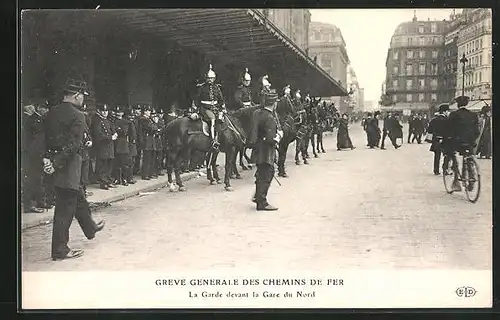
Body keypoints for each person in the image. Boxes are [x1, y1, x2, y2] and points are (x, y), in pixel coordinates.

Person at [42, 79, 104, 261]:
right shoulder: (78, 115)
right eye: (83, 95)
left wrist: (47, 159)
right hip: (67, 167)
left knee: (77, 198)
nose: (83, 98)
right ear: (76, 95)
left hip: (53, 163)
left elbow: (44, 139)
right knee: (64, 209)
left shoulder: (51, 112)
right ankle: (60, 251)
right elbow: (73, 145)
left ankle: (90, 228)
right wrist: (56, 164)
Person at [248, 88, 282, 211]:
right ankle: (262, 202)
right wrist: (279, 136)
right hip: (266, 151)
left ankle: (258, 196)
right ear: (274, 104)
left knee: (260, 174)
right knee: (268, 174)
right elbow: (270, 139)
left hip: (257, 148)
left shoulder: (257, 113)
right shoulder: (270, 118)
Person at [443, 96, 481, 192]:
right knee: (468, 156)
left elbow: (448, 129)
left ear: (458, 104)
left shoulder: (453, 115)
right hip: (470, 142)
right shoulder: (473, 115)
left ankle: (456, 180)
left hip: (457, 142)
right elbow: (477, 131)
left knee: (453, 156)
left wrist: (447, 138)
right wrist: (472, 139)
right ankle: (471, 175)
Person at [195, 63, 226, 149]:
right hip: (205, 108)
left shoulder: (217, 87)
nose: (210, 80)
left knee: (222, 119)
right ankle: (213, 141)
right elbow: (197, 100)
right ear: (206, 78)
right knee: (212, 119)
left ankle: (220, 138)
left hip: (215, 108)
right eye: (209, 78)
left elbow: (221, 99)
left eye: (212, 78)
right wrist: (198, 109)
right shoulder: (201, 87)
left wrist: (222, 108)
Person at [91, 103, 117, 190]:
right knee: (103, 165)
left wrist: (115, 133)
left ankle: (108, 181)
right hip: (103, 145)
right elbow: (98, 135)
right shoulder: (97, 121)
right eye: (103, 111)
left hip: (109, 145)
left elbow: (111, 129)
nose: (105, 113)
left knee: (109, 164)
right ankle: (103, 182)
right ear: (99, 111)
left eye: (106, 111)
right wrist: (110, 137)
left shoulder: (107, 120)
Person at [427, 104, 450, 175]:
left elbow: (429, 130)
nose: (448, 112)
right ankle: (445, 169)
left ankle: (436, 170)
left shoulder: (434, 120)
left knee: (437, 156)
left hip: (436, 140)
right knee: (447, 155)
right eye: (447, 111)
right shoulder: (447, 120)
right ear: (444, 111)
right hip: (445, 140)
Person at [112, 105, 132, 185]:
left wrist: (118, 130)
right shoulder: (112, 121)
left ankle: (124, 179)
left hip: (123, 144)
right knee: (116, 163)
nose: (119, 114)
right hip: (115, 144)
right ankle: (117, 179)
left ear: (123, 113)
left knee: (124, 164)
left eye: (120, 112)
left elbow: (126, 132)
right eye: (117, 112)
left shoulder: (126, 122)